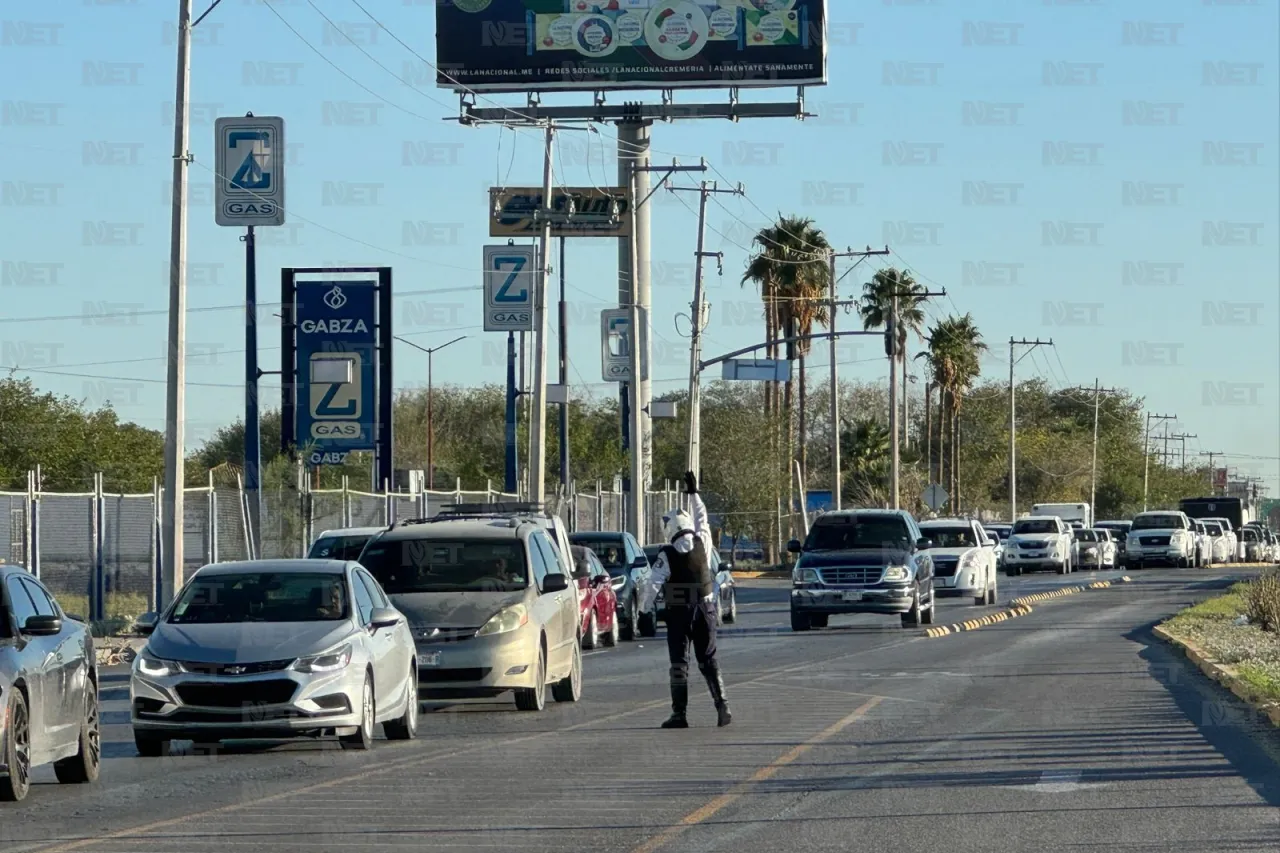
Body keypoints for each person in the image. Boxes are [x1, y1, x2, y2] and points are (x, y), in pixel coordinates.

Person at [640, 470, 731, 728]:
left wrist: (645, 610)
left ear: (668, 529)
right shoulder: (704, 541)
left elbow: (652, 583)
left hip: (679, 612)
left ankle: (679, 715)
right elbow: (702, 517)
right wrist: (694, 494)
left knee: (679, 664)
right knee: (709, 658)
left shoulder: (666, 555)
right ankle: (722, 705)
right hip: (706, 609)